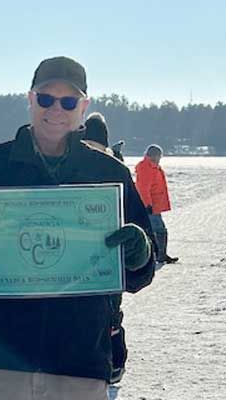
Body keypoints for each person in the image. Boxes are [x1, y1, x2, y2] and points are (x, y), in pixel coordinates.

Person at [0, 57, 155, 400]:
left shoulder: (110, 175)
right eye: (46, 99)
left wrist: (141, 253)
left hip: (78, 363)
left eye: (68, 101)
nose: (56, 110)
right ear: (30, 99)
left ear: (84, 107)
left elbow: (139, 274)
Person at [83, 111, 128, 385]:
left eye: (97, 147)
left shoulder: (113, 167)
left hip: (108, 255)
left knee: (111, 312)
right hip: (81, 252)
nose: (92, 151)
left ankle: (115, 362)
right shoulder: (73, 164)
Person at [135, 144, 179, 264]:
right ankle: (159, 255)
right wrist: (147, 205)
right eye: (159, 155)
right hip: (150, 206)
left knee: (156, 229)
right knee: (158, 230)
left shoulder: (153, 167)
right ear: (154, 155)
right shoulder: (146, 168)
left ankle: (159, 254)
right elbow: (143, 188)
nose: (160, 158)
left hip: (154, 205)